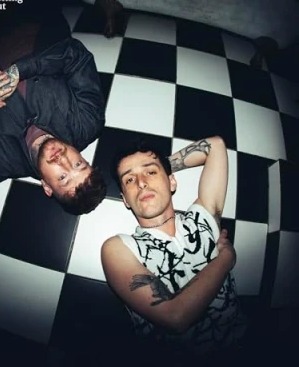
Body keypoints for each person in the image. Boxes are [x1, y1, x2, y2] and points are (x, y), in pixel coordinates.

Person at [101, 136, 247, 364]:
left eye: (150, 173)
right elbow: (175, 317)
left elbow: (216, 146)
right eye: (129, 179)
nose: (141, 183)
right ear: (125, 200)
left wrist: (161, 165)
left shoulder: (202, 218)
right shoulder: (118, 248)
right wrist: (226, 259)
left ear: (172, 183)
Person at [0, 0, 107, 215]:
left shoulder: (0, 164)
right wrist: (19, 71)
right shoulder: (89, 122)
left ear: (46, 187)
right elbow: (75, 55)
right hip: (45, 18)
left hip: (4, 30)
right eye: (78, 165)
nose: (63, 160)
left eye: (63, 177)